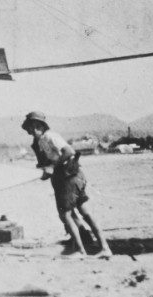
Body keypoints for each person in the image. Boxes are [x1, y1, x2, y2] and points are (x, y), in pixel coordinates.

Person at [22, 111, 112, 258]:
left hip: (68, 177)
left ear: (39, 126)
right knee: (84, 212)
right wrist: (45, 168)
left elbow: (69, 151)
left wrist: (51, 167)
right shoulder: (41, 141)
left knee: (66, 215)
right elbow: (51, 159)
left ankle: (80, 251)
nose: (31, 132)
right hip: (72, 176)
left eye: (33, 128)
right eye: (29, 129)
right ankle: (104, 248)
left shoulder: (49, 136)